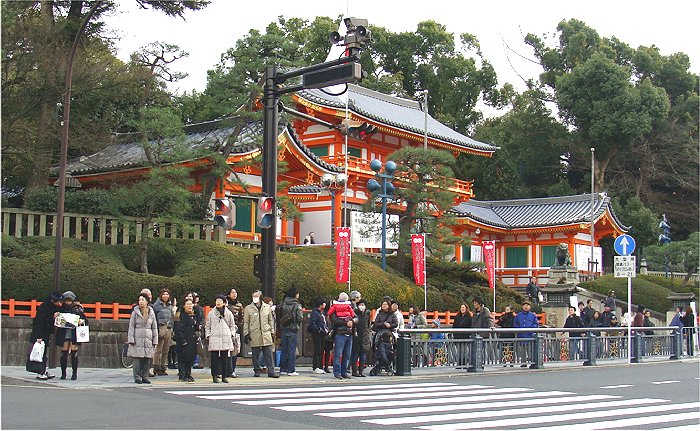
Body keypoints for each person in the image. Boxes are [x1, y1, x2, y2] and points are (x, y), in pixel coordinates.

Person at [244, 290, 280, 378]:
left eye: (257, 296)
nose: (255, 298)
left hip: (266, 332)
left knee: (268, 353)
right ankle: (257, 370)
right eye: (253, 296)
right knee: (255, 354)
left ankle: (271, 370)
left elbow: (270, 320)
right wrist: (246, 333)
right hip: (254, 333)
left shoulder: (266, 307)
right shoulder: (248, 308)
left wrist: (272, 331)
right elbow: (246, 322)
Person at [54, 291, 88, 380]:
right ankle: (63, 373)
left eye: (70, 301)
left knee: (74, 353)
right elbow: (56, 321)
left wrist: (81, 321)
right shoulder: (61, 309)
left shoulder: (77, 309)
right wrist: (56, 316)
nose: (68, 303)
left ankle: (74, 373)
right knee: (63, 353)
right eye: (66, 301)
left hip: (74, 333)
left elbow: (84, 319)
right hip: (64, 332)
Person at [29, 292, 63, 380]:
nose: (60, 304)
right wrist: (39, 336)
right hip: (40, 334)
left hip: (46, 333)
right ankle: (40, 372)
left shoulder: (52, 307)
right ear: (53, 300)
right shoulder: (44, 307)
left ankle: (43, 370)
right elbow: (39, 322)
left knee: (43, 353)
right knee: (40, 353)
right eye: (58, 302)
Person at [127, 293, 158, 384]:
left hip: (148, 337)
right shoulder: (135, 312)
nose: (141, 302)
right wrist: (131, 339)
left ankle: (145, 376)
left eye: (143, 300)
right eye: (139, 300)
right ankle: (137, 377)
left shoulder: (151, 312)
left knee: (147, 359)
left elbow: (154, 327)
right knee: (137, 359)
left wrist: (155, 339)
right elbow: (131, 326)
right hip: (137, 337)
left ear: (147, 302)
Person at [206, 294, 236, 383]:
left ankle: (224, 376)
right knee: (214, 358)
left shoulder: (229, 313)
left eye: (220, 301)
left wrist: (232, 334)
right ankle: (214, 375)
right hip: (214, 336)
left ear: (224, 303)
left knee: (225, 358)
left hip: (225, 336)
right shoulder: (211, 313)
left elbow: (232, 325)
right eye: (217, 300)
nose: (218, 302)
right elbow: (208, 325)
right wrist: (208, 335)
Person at [329, 292, 357, 379]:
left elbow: (356, 318)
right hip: (339, 333)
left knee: (347, 354)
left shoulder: (349, 307)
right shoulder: (335, 308)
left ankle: (344, 371)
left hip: (349, 333)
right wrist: (346, 323)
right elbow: (334, 320)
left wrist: (352, 322)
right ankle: (337, 372)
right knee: (338, 354)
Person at [278, 287, 303, 376]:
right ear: (295, 294)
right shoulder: (296, 305)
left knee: (284, 349)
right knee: (292, 350)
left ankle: (283, 369)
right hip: (293, 329)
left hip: (284, 329)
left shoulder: (283, 303)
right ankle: (291, 369)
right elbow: (300, 318)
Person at [370, 299, 398, 376]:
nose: (384, 306)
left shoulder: (392, 315)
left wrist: (390, 325)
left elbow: (395, 324)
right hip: (380, 336)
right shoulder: (379, 314)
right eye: (383, 304)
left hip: (389, 336)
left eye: (386, 304)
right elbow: (376, 324)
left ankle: (379, 368)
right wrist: (384, 324)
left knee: (389, 352)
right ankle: (387, 367)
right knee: (382, 353)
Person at [173, 297, 197, 382]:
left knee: (190, 359)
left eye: (191, 304)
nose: (190, 306)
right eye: (188, 304)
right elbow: (178, 329)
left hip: (192, 340)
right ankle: (182, 375)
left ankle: (188, 374)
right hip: (183, 341)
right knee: (182, 359)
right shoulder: (180, 315)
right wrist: (182, 340)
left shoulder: (193, 315)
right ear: (183, 306)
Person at [151, 288, 174, 376]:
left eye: (167, 294)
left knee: (166, 350)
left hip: (168, 328)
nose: (165, 296)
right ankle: (156, 367)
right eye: (164, 294)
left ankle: (163, 367)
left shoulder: (169, 305)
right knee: (158, 349)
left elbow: (172, 317)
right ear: (161, 295)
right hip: (160, 327)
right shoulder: (156, 305)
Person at [513, 300, 539, 367]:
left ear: (530, 307)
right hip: (521, 336)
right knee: (522, 351)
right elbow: (515, 325)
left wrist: (530, 328)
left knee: (530, 350)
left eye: (527, 305)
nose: (526, 307)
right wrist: (519, 329)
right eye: (524, 305)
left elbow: (536, 324)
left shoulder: (533, 316)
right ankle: (523, 362)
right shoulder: (518, 316)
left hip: (530, 336)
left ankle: (532, 363)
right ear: (522, 306)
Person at [226, 288, 244, 377]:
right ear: (229, 294)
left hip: (235, 330)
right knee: (227, 351)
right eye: (232, 292)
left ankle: (232, 370)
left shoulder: (239, 305)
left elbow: (242, 316)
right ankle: (227, 370)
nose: (234, 294)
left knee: (235, 350)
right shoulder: (225, 305)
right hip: (226, 330)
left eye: (235, 292)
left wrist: (239, 325)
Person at [308, 297, 329, 374]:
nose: (325, 304)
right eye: (323, 303)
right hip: (317, 334)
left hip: (323, 334)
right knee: (317, 350)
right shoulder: (315, 312)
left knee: (321, 350)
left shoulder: (322, 312)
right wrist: (319, 330)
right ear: (320, 304)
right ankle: (316, 366)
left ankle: (320, 366)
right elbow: (312, 323)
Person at [351, 299, 371, 377]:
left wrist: (368, 331)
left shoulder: (367, 314)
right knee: (355, 355)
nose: (361, 306)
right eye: (360, 305)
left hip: (365, 336)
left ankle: (361, 371)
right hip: (356, 336)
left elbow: (368, 324)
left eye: (363, 305)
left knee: (363, 355)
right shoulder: (355, 313)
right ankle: (354, 371)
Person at [191, 292, 205, 369]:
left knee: (199, 346)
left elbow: (203, 318)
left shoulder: (200, 308)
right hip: (190, 329)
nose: (196, 298)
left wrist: (201, 325)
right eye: (195, 296)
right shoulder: (189, 307)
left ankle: (198, 362)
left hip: (198, 330)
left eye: (197, 296)